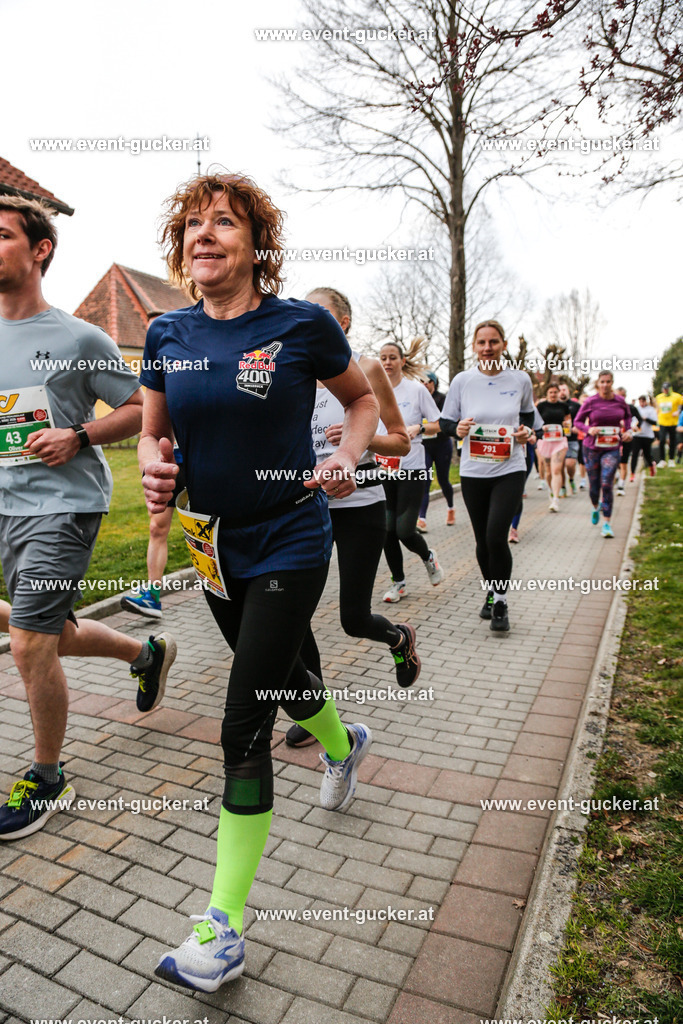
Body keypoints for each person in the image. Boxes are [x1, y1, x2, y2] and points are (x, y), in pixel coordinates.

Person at [140, 173, 379, 992]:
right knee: (278, 681)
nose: (204, 235)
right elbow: (151, 433)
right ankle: (345, 748)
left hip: (289, 538)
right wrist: (152, 469)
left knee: (242, 724)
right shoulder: (166, 331)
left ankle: (224, 930)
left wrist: (345, 458)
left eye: (224, 223)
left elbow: (360, 404)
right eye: (192, 226)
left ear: (254, 243)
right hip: (212, 547)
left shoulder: (301, 326)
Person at [0, 196, 176, 842]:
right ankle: (144, 652)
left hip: (63, 508)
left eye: (1, 235)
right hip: (3, 505)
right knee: (45, 631)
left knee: (28, 643)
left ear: (39, 248)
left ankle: (48, 777)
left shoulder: (78, 337)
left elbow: (140, 409)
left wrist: (77, 435)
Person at [286, 287, 416, 750]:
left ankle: (400, 639)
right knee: (293, 618)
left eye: (318, 314)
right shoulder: (293, 369)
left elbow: (400, 441)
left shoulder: (366, 367)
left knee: (353, 618)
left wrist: (360, 443)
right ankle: (317, 712)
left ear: (341, 323)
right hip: (308, 509)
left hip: (361, 506)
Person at [440, 320, 534, 632]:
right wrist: (459, 429)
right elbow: (445, 423)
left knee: (496, 535)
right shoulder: (463, 381)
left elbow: (532, 420)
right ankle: (492, 592)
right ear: (474, 347)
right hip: (473, 471)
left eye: (493, 342)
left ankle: (501, 602)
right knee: (482, 539)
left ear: (503, 345)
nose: (487, 348)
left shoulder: (520, 379)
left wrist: (526, 432)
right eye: (481, 342)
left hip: (509, 468)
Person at [378, 340, 443, 602]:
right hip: (383, 469)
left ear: (402, 361)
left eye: (392, 357)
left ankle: (428, 557)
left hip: (412, 468)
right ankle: (399, 583)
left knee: (404, 530)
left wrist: (420, 428)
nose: (387, 362)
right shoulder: (374, 391)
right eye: (383, 357)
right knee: (386, 530)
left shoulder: (416, 390)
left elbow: (439, 423)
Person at [120, 444, 186, 618]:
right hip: (165, 461)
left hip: (197, 460)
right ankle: (152, 598)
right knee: (156, 528)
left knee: (208, 528)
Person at [574, 371, 632, 538]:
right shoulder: (591, 402)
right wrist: (588, 429)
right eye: (602, 382)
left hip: (612, 447)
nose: (605, 385)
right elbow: (577, 421)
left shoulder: (620, 402)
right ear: (598, 383)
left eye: (608, 382)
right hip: (592, 447)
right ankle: (595, 506)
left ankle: (607, 522)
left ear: (612, 383)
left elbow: (628, 417)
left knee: (606, 482)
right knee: (594, 485)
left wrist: (627, 431)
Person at [416, 369, 455, 531]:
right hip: (425, 446)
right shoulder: (416, 398)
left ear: (434, 383)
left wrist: (428, 427)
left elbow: (445, 423)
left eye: (428, 381)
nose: (425, 384)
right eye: (422, 381)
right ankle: (422, 519)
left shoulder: (442, 399)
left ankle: (451, 508)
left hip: (442, 445)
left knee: (443, 480)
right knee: (425, 480)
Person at [535, 383, 572, 512]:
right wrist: (541, 427)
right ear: (547, 394)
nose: (553, 394)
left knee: (556, 469)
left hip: (559, 441)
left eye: (555, 392)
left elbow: (568, 420)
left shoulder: (563, 406)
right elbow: (535, 421)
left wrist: (567, 425)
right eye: (551, 392)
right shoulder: (541, 406)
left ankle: (556, 499)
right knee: (548, 471)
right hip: (545, 440)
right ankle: (551, 491)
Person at [509, 406, 543, 543]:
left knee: (517, 490)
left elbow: (540, 429)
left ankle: (514, 529)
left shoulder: (528, 407)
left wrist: (533, 436)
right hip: (495, 454)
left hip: (523, 453)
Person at [614, 387, 642, 494]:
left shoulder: (631, 408)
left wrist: (633, 429)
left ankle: (621, 486)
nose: (620, 398)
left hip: (627, 439)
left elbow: (640, 420)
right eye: (618, 395)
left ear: (625, 396)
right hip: (613, 439)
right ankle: (616, 476)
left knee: (623, 463)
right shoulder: (611, 408)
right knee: (613, 462)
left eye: (622, 395)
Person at [558, 383, 582, 494]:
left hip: (572, 439)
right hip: (558, 439)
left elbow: (583, 419)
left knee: (570, 464)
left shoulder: (575, 406)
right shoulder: (555, 406)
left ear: (568, 391)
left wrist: (577, 427)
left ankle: (571, 479)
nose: (562, 392)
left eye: (564, 389)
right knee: (560, 465)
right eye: (560, 390)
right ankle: (562, 486)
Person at [654, 381, 683, 467]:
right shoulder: (659, 397)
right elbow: (657, 407)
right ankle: (662, 460)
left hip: (673, 422)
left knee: (672, 441)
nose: (666, 390)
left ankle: (671, 459)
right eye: (664, 389)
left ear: (670, 389)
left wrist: (678, 411)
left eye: (667, 389)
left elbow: (682, 404)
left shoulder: (676, 396)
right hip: (662, 422)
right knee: (662, 440)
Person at [630, 395, 657, 478]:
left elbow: (655, 423)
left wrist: (646, 419)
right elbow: (632, 420)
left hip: (647, 435)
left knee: (647, 454)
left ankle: (651, 467)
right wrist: (633, 426)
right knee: (635, 454)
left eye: (643, 401)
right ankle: (632, 473)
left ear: (646, 401)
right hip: (637, 435)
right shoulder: (636, 409)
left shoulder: (651, 409)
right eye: (640, 401)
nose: (642, 403)